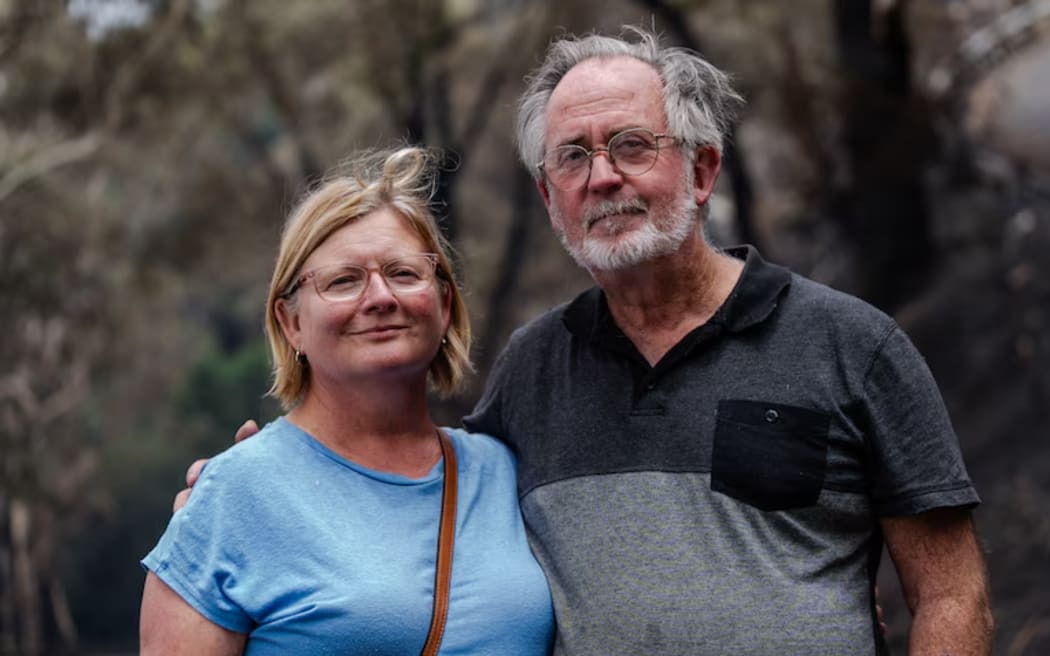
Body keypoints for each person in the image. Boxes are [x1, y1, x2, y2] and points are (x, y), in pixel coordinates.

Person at [179, 26, 993, 655]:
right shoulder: (533, 372)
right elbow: (404, 494)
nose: (603, 178)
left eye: (632, 146)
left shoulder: (854, 347)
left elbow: (953, 596)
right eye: (573, 157)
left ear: (703, 171)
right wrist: (251, 496)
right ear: (548, 195)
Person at [140, 146, 555, 655]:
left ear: (444, 305)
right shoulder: (234, 494)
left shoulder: (504, 473)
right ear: (291, 322)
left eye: (404, 273)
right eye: (343, 281)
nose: (381, 297)